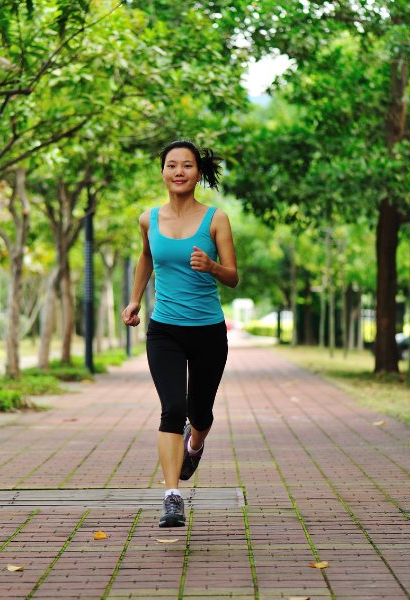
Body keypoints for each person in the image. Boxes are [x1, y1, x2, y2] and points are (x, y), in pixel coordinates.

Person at [121, 140, 239, 528]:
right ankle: (172, 496)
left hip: (207, 330)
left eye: (187, 165)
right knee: (172, 408)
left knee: (199, 412)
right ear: (163, 172)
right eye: (171, 165)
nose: (178, 171)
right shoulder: (148, 218)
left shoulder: (216, 219)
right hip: (165, 330)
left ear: (198, 173)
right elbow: (147, 256)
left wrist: (212, 266)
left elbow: (234, 277)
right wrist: (136, 299)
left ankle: (196, 441)